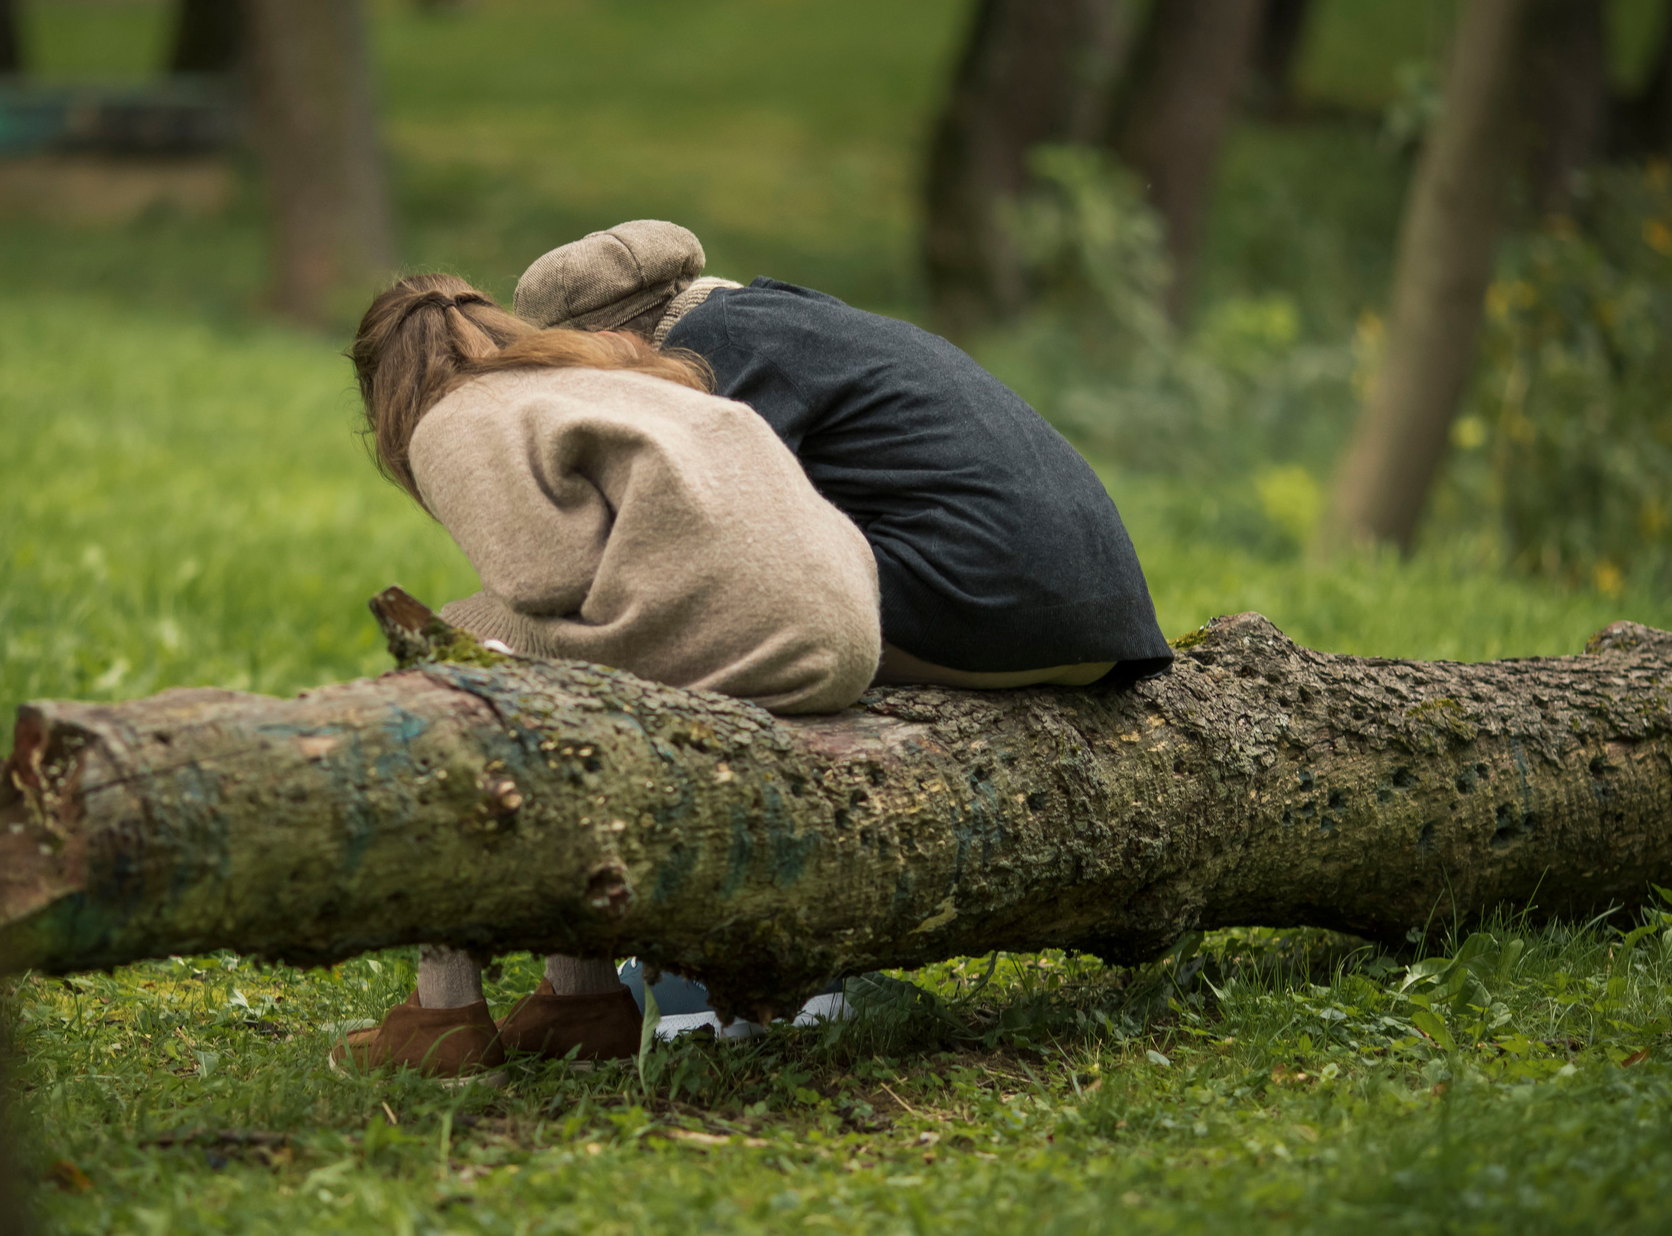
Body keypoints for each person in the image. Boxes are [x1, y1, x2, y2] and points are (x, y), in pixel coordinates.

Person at [333, 275, 882, 1075]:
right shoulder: (601, 374)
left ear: (385, 392)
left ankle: (443, 1011)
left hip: (736, 640)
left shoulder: (452, 415)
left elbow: (543, 577)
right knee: (522, 675)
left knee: (447, 683)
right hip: (841, 635)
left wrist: (462, 643)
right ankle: (580, 998)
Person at [513, 220, 1173, 689]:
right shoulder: (782, 316)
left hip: (989, 607)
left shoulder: (710, 349)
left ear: (602, 340)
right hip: (1102, 631)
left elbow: (693, 541)